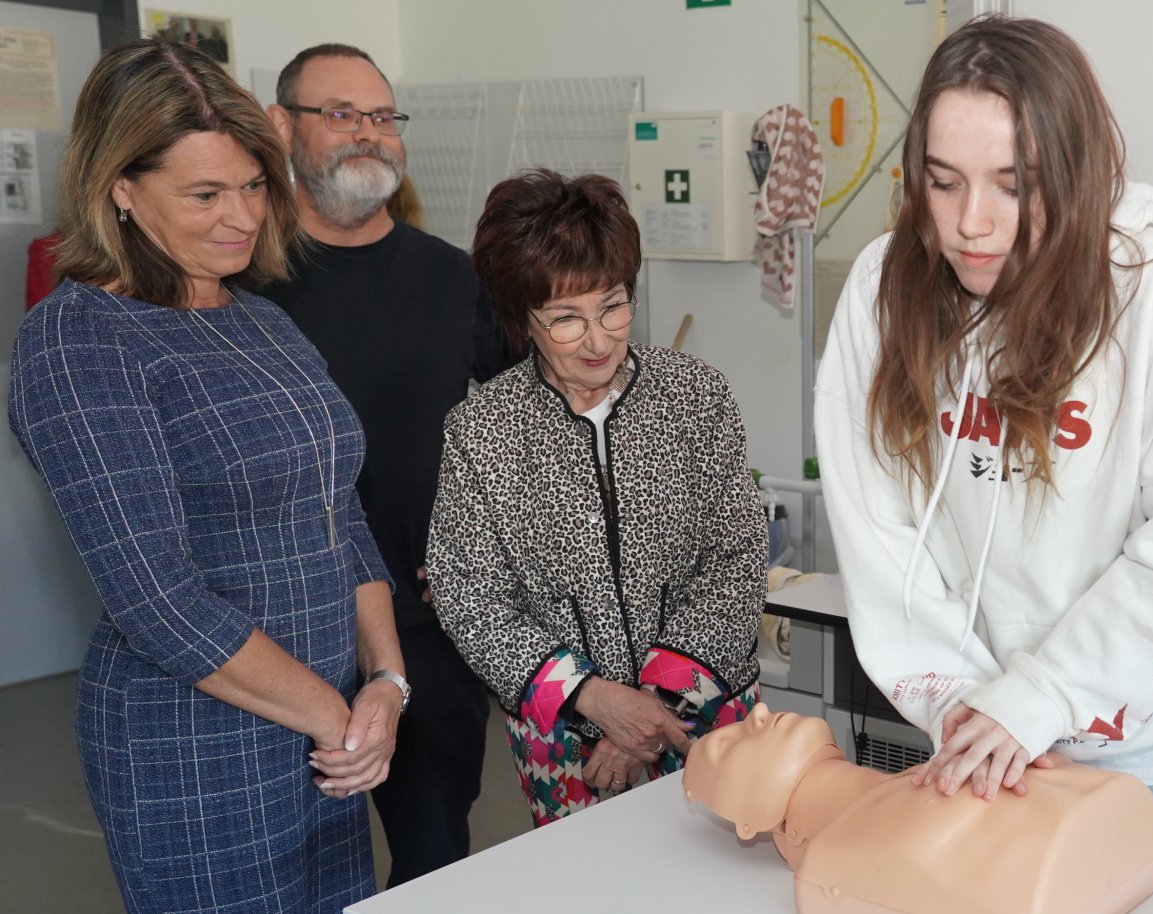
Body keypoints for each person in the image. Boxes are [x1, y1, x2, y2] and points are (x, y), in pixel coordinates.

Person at [815, 16, 1153, 883]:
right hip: (982, 749)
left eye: (1011, 186)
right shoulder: (884, 291)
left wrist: (1039, 698)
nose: (970, 225)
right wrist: (972, 711)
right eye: (942, 184)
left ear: (1071, 172)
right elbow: (880, 538)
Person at [6, 39, 402, 913]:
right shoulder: (79, 341)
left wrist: (386, 682)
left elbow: (342, 516)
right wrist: (338, 719)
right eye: (205, 194)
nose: (242, 216)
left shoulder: (261, 319)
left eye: (255, 185)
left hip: (325, 739)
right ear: (120, 187)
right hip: (196, 752)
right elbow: (156, 597)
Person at [427, 168, 766, 826]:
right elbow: (469, 597)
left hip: (705, 718)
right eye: (565, 318)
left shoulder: (695, 397)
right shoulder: (483, 431)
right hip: (567, 742)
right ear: (522, 318)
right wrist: (593, 699)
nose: (598, 338)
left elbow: (736, 559)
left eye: (612, 305)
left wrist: (654, 705)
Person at [257, 42, 506, 888]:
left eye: (382, 117)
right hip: (277, 642)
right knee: (293, 877)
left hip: (430, 636)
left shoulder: (457, 281)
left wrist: (496, 552)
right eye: (341, 115)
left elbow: (526, 435)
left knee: (435, 869)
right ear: (280, 126)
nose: (369, 134)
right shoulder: (239, 288)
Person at [684, 705, 1153, 913]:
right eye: (727, 745)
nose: (761, 715)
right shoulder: (838, 863)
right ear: (748, 826)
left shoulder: (914, 788)